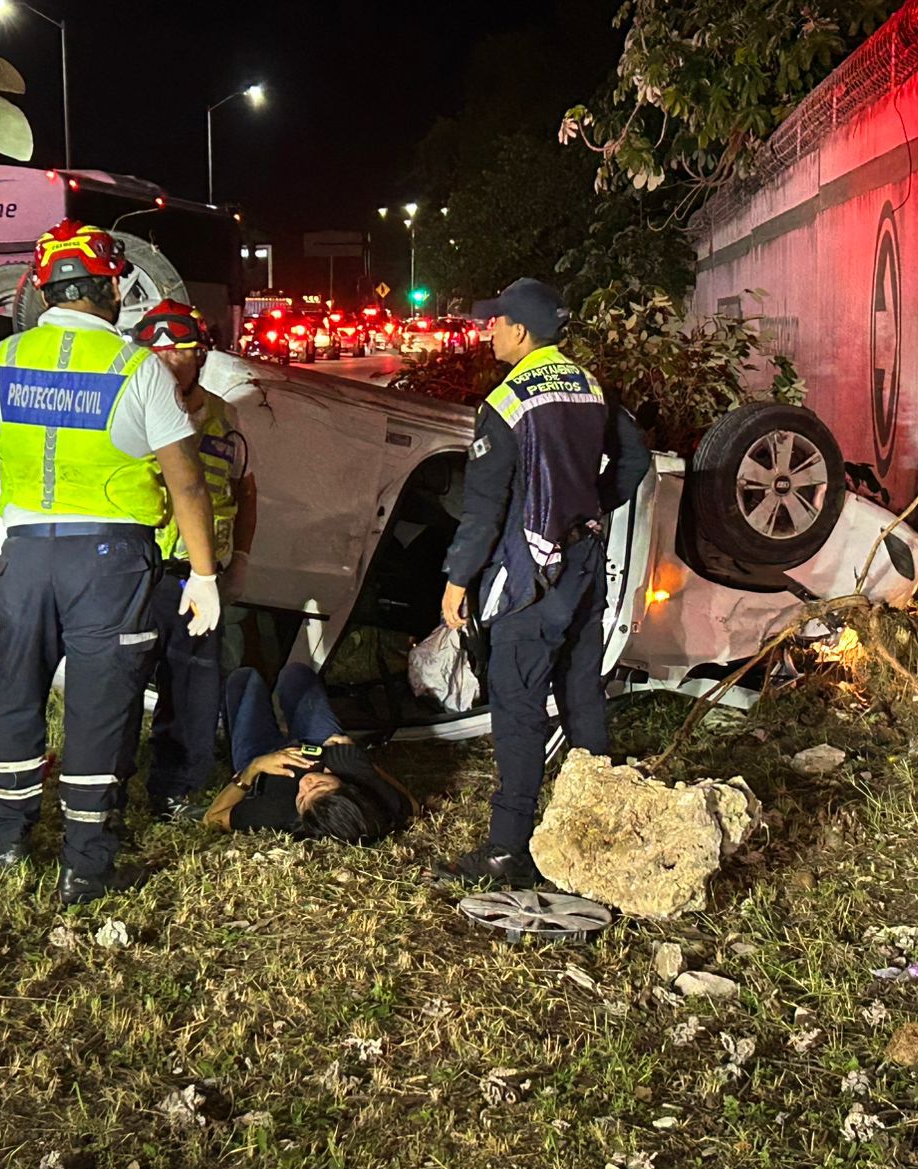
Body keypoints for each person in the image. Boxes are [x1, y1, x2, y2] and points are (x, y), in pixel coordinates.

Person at [0, 220, 221, 903]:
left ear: (43, 290)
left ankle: (4, 844)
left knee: (16, 693)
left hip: (27, 558)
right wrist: (206, 577)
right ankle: (86, 865)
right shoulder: (136, 368)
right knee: (99, 708)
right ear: (109, 288)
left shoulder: (0, 362)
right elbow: (186, 482)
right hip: (110, 562)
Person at [436, 278, 611, 886]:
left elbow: (484, 510)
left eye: (496, 322)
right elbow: (634, 461)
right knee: (583, 697)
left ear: (519, 330)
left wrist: (458, 581)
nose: (489, 332)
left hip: (528, 578)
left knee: (519, 709)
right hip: (583, 567)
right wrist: (589, 507)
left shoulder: (506, 402)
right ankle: (599, 833)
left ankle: (508, 848)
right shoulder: (591, 387)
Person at [128, 300, 259, 819]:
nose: (166, 361)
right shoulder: (128, 408)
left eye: (179, 351)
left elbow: (245, 491)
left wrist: (240, 557)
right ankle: (107, 784)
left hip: (197, 575)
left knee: (193, 685)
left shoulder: (226, 418)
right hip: (139, 567)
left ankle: (177, 788)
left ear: (201, 354)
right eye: (155, 350)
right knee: (122, 680)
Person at [203, 664, 418, 842]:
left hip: (264, 762)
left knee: (244, 679)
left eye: (302, 798)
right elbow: (413, 807)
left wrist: (252, 770)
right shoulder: (359, 776)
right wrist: (366, 764)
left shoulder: (278, 812)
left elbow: (211, 819)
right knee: (295, 674)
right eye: (319, 785)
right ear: (348, 788)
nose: (305, 784)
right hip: (319, 746)